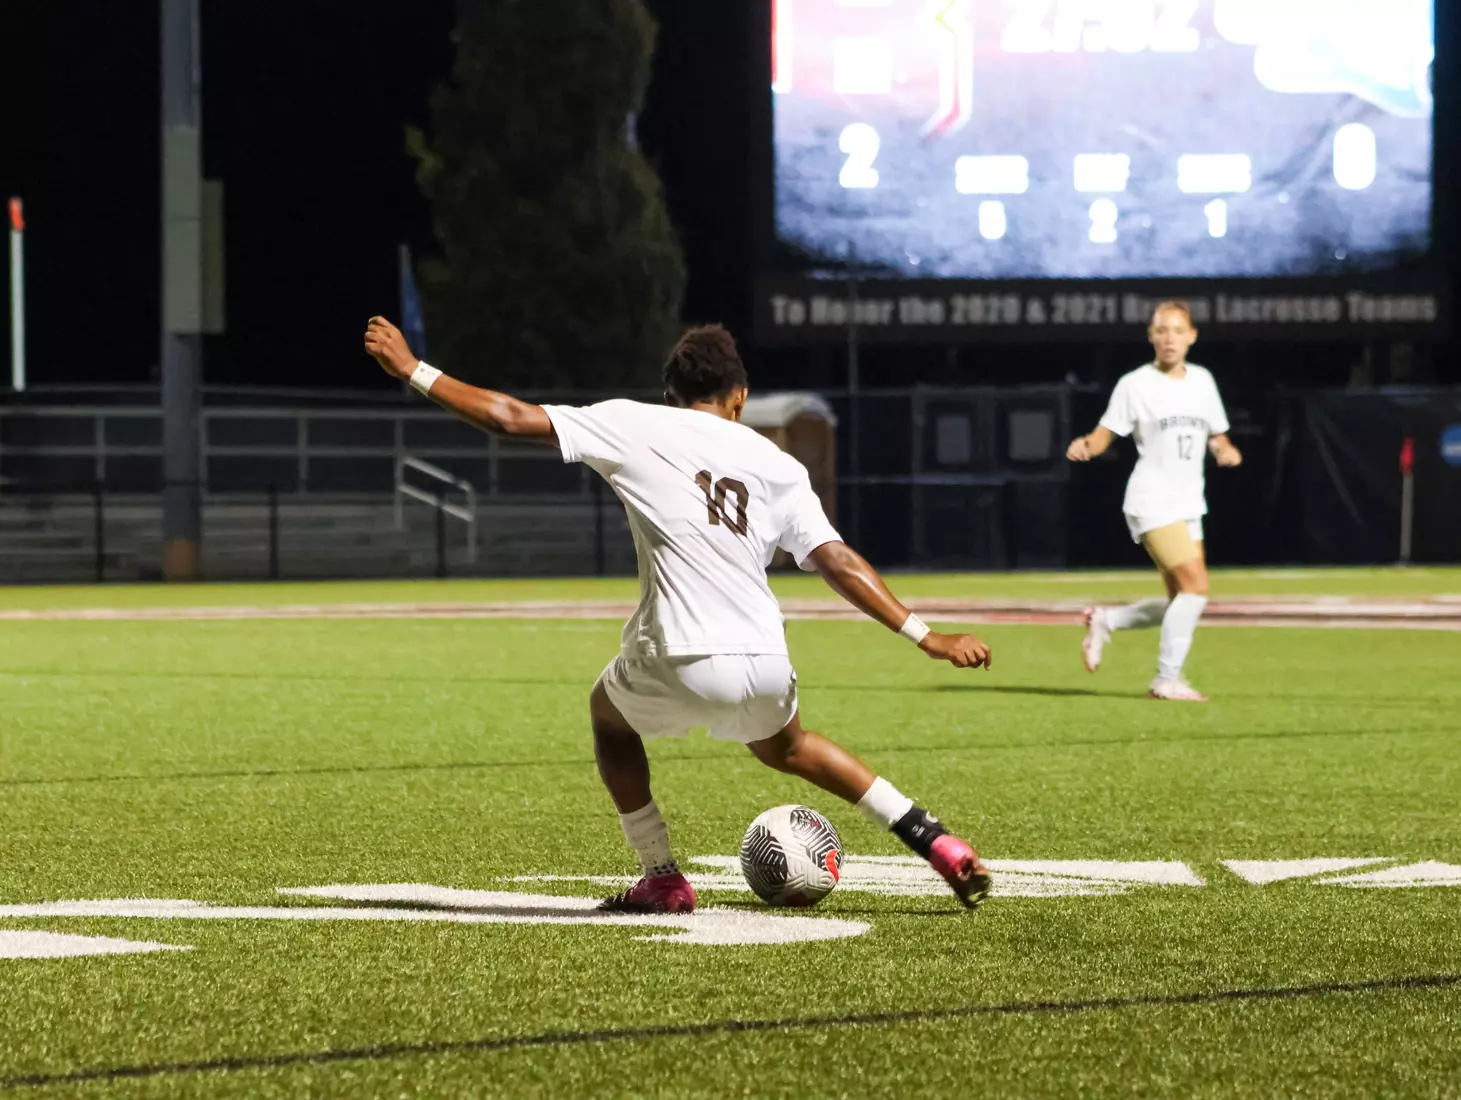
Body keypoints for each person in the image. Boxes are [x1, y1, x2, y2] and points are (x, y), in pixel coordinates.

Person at [364, 316, 995, 912]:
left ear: (670, 392)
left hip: (684, 653)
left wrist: (414, 369)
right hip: (767, 658)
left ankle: (661, 876)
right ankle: (934, 839)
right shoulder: (779, 464)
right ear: (739, 396)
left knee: (609, 719)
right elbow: (837, 560)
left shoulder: (633, 423)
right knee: (791, 746)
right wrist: (926, 635)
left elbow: (507, 417)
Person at [1065, 300, 1242, 702]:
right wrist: (1087, 446)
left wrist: (1224, 450)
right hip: (1152, 499)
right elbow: (1104, 433)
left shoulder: (1202, 381)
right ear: (1151, 336)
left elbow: (1218, 433)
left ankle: (1105, 621)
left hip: (1189, 503)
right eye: (1161, 330)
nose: (1169, 339)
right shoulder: (1136, 384)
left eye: (1177, 331)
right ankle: (1167, 679)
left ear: (1192, 336)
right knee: (1196, 589)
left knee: (1180, 600)